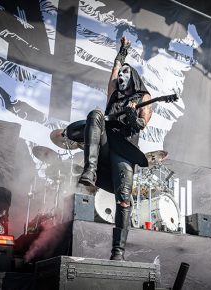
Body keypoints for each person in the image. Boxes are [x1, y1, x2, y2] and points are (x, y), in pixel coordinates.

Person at [78, 36, 152, 261]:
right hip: (107, 143)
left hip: (125, 149)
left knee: (123, 199)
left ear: (134, 80)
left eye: (125, 76)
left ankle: (118, 252)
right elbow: (114, 70)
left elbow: (143, 123)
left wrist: (133, 116)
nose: (120, 78)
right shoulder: (113, 95)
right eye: (120, 76)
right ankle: (90, 170)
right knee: (95, 114)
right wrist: (123, 52)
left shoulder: (144, 98)